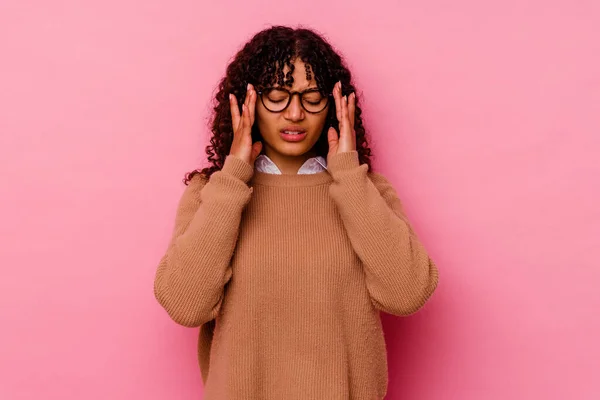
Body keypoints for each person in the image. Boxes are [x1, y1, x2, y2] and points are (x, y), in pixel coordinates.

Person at [153, 25, 439, 400]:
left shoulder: (367, 193)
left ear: (337, 106)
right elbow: (185, 305)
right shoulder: (213, 195)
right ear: (246, 104)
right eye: (276, 95)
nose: (294, 112)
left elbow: (408, 293)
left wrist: (349, 177)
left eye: (312, 97)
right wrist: (234, 175)